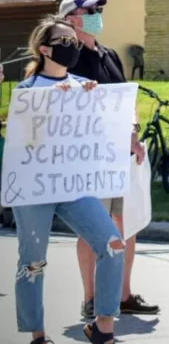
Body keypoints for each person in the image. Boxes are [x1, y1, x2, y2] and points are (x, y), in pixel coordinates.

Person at [13, 18, 125, 344]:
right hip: (35, 187)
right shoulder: (28, 91)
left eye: (74, 41)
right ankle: (37, 334)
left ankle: (103, 326)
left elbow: (100, 134)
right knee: (33, 262)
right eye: (64, 41)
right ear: (45, 49)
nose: (72, 46)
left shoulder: (84, 86)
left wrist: (94, 105)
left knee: (113, 244)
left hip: (74, 185)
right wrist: (48, 104)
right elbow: (23, 143)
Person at [60, 0, 155, 320]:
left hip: (119, 155)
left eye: (98, 9)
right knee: (91, 228)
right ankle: (91, 298)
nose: (96, 14)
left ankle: (123, 295)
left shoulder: (109, 54)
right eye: (89, 11)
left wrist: (135, 135)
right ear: (71, 19)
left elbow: (126, 101)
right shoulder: (67, 59)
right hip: (87, 158)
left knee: (126, 225)